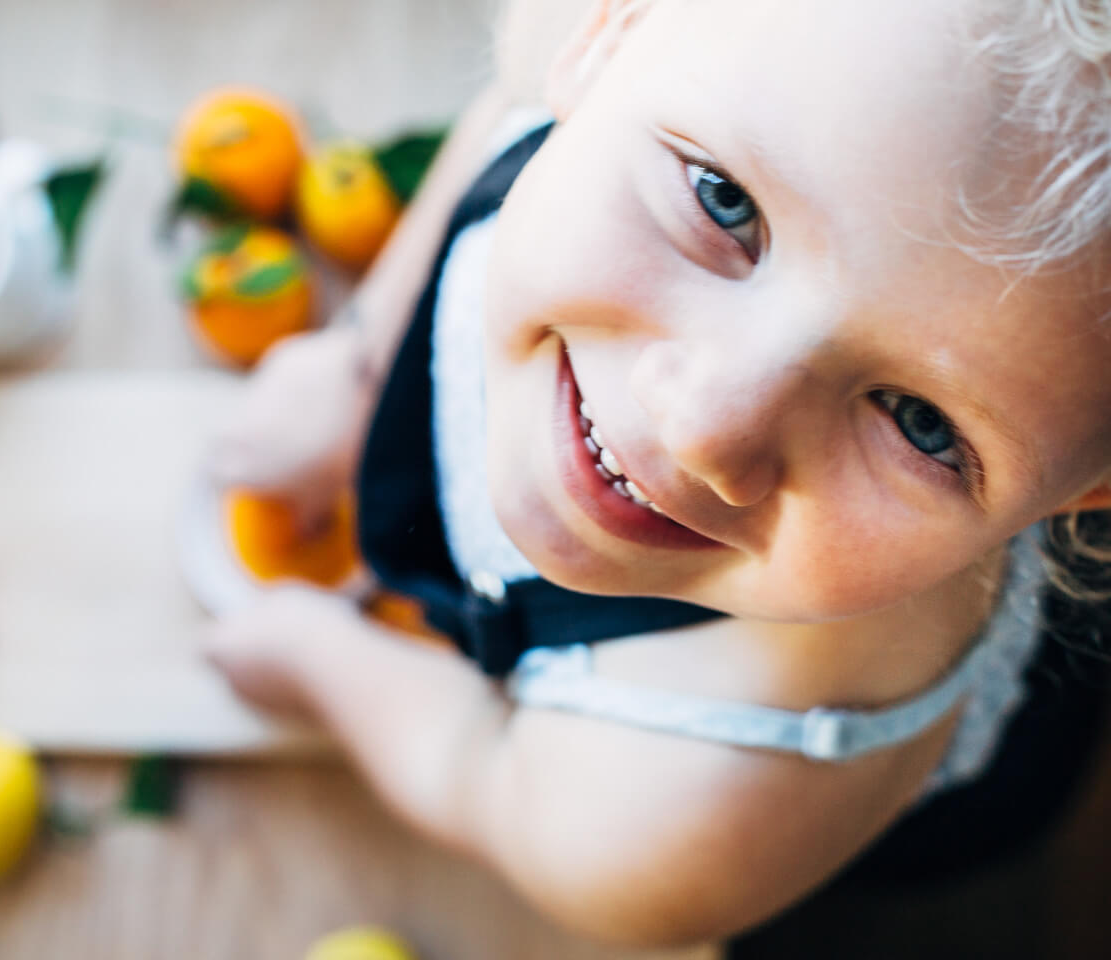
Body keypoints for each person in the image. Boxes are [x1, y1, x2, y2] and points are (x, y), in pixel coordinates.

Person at [202, 0, 1111, 948]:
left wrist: (320, 661)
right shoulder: (636, 89)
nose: (705, 429)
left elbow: (483, 773)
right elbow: (496, 131)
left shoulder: (687, 787)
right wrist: (362, 356)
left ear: (1080, 497)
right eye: (725, 202)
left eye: (919, 424)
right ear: (606, 34)